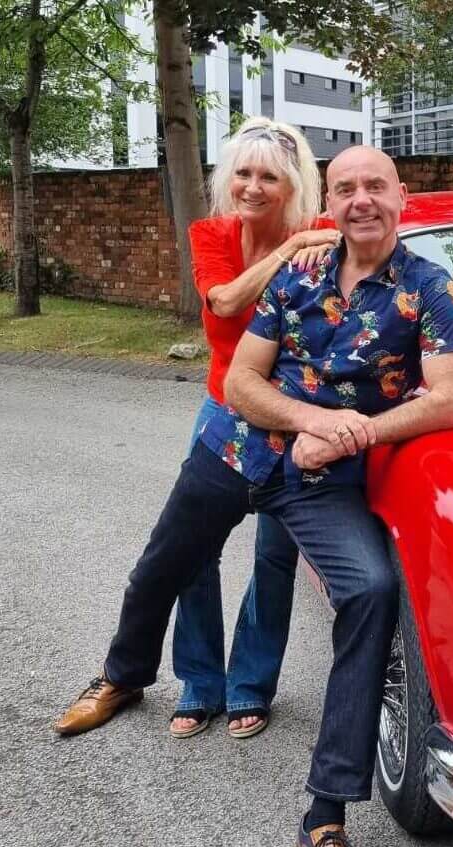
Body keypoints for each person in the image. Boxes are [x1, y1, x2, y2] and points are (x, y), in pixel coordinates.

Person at [54, 146, 453, 847]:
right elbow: (243, 379)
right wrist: (318, 420)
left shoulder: (432, 291)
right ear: (332, 200)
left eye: (374, 187)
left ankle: (324, 823)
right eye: (345, 188)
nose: (360, 201)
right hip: (237, 449)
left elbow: (447, 401)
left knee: (372, 590)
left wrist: (348, 438)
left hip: (320, 480)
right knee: (163, 563)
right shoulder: (300, 271)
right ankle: (122, 675)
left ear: (400, 197)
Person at [174, 116, 341, 740]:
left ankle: (249, 684)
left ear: (291, 182)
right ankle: (198, 682)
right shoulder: (212, 234)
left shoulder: (320, 232)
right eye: (242, 173)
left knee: (276, 554)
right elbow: (222, 302)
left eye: (268, 175)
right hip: (223, 403)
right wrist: (289, 254)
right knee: (193, 546)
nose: (252, 186)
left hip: (290, 412)